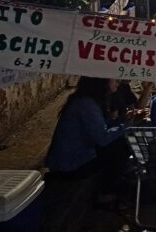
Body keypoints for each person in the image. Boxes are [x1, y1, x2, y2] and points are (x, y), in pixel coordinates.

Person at [44, 77, 127, 225]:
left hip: (74, 157)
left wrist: (121, 121)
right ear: (101, 82)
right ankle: (106, 195)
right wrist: (126, 126)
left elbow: (101, 127)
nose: (117, 82)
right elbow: (102, 137)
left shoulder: (88, 102)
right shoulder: (86, 104)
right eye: (114, 80)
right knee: (120, 148)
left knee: (118, 144)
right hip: (71, 164)